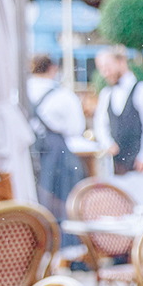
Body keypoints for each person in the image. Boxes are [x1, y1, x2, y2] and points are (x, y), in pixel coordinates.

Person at [93, 46, 143, 213]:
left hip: (140, 166)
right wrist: (107, 143)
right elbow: (100, 124)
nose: (105, 72)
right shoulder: (106, 94)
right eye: (101, 68)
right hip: (117, 166)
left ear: (121, 61)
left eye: (107, 66)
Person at [26, 53, 87, 222]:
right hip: (56, 153)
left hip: (27, 153)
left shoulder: (19, 94)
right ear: (52, 68)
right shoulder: (63, 95)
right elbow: (76, 128)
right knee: (61, 200)